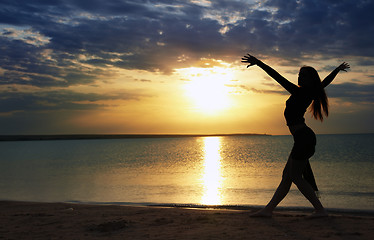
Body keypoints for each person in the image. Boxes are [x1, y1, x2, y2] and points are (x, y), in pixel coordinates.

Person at [241, 54, 349, 218]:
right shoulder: (306, 92)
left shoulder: (302, 93)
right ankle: (268, 210)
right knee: (287, 177)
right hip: (301, 139)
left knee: (295, 177)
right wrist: (337, 70)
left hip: (304, 139)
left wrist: (259, 63)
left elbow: (277, 76)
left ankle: (320, 210)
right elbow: (324, 82)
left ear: (310, 80)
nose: (299, 77)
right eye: (299, 74)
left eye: (303, 75)